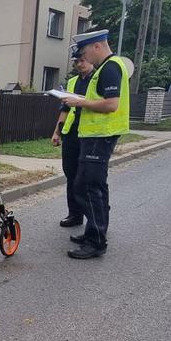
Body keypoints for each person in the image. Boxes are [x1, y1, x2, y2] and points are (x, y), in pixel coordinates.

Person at [62, 29, 130, 259]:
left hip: (100, 136)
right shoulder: (105, 67)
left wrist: (80, 102)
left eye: (85, 51)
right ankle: (94, 230)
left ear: (97, 46)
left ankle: (96, 241)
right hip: (94, 136)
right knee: (93, 185)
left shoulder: (110, 67)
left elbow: (111, 104)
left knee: (88, 187)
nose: (84, 57)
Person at [51, 48, 95, 228]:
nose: (79, 64)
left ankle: (93, 218)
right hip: (71, 133)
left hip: (90, 134)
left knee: (86, 177)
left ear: (90, 60)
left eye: (82, 60)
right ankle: (74, 214)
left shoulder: (97, 79)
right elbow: (65, 109)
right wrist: (57, 132)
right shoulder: (73, 82)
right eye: (76, 62)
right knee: (71, 174)